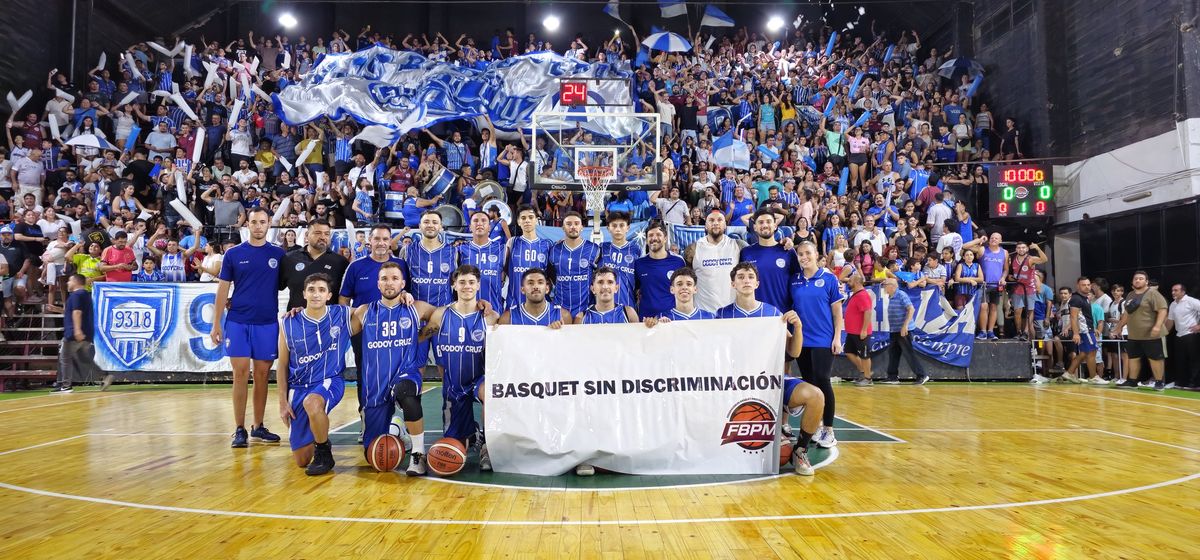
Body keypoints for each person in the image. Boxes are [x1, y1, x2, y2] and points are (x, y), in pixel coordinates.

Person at [713, 261, 821, 475]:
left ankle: (800, 450)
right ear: (733, 284)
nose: (746, 280)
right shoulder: (721, 315)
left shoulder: (772, 313)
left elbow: (794, 352)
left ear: (757, 283)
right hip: (736, 383)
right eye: (741, 277)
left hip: (769, 378)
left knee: (816, 396)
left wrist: (797, 327)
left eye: (750, 277)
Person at [210, 207, 286, 448]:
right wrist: (216, 324)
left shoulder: (279, 254)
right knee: (240, 374)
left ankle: (258, 426)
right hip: (238, 322)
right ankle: (239, 428)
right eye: (254, 222)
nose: (258, 226)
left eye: (263, 222)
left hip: (267, 322)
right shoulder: (233, 254)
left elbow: (290, 283)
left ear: (269, 224)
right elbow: (222, 289)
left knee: (263, 375)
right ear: (247, 225)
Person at [355, 262, 437, 476]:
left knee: (406, 393)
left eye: (394, 278)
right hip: (375, 386)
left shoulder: (416, 307)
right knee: (376, 456)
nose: (389, 282)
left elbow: (442, 315)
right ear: (378, 283)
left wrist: (419, 336)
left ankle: (418, 455)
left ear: (402, 283)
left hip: (405, 373)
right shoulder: (364, 312)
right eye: (384, 278)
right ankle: (397, 429)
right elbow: (332, 323)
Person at [422, 265, 501, 470]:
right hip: (453, 385)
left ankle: (486, 443)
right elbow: (420, 339)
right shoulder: (440, 315)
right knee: (454, 446)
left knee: (489, 394)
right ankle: (470, 431)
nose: (467, 286)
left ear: (478, 285)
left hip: (479, 380)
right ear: (454, 285)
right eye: (462, 282)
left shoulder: (491, 317)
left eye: (471, 282)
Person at [276, 274, 349, 476]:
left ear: (329, 295)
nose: (316, 294)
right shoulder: (289, 322)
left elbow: (369, 310)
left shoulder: (341, 315)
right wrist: (282, 401)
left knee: (312, 403)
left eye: (321, 290)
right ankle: (319, 433)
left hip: (329, 380)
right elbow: (282, 365)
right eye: (312, 290)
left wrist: (403, 295)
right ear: (304, 294)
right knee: (302, 460)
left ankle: (324, 451)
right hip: (298, 387)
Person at [340, 223, 408, 439]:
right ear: (369, 241)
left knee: (397, 374)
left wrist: (406, 295)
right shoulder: (356, 266)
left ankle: (398, 422)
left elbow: (408, 293)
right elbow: (343, 299)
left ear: (390, 242)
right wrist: (356, 318)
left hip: (395, 330)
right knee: (365, 375)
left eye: (385, 239)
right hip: (365, 332)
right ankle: (366, 420)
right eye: (377, 239)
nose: (381, 243)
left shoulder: (400, 265)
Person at [789, 241, 844, 448]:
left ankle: (829, 430)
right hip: (802, 340)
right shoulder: (794, 280)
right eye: (800, 254)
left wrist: (838, 337)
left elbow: (837, 312)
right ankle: (816, 426)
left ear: (816, 254)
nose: (804, 257)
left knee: (823, 380)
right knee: (810, 383)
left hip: (823, 339)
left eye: (807, 253)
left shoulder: (829, 278)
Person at [52, 274, 111, 393]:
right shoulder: (85, 295)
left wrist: (77, 330)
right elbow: (74, 311)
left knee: (65, 358)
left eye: (69, 280)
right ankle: (104, 376)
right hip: (87, 333)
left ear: (76, 281)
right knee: (85, 359)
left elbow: (77, 313)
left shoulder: (76, 295)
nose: (67, 283)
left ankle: (66, 385)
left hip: (75, 333)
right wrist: (58, 310)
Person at [1113, 271, 1169, 390]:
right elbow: (1127, 313)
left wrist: (1157, 326)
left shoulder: (1152, 293)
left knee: (1155, 358)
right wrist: (1118, 328)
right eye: (1135, 279)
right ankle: (1132, 381)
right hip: (1134, 334)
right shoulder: (1130, 295)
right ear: (1132, 282)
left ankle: (1159, 382)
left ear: (1146, 281)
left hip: (1151, 334)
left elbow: (1163, 309)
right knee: (1133, 358)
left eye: (1141, 278)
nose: (1138, 280)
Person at [280, 219, 348, 310]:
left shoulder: (341, 262)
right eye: (318, 233)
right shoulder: (289, 258)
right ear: (307, 235)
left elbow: (347, 296)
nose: (323, 237)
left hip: (329, 321)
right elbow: (278, 286)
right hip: (297, 319)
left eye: (327, 234)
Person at [685, 211, 745, 312]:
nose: (715, 223)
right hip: (703, 312)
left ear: (725, 225)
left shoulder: (739, 245)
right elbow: (688, 280)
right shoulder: (693, 249)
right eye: (711, 220)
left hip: (733, 311)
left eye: (720, 220)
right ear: (705, 225)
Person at [739, 210, 797, 312]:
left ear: (775, 226)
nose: (765, 225)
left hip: (783, 314)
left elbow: (797, 282)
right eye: (760, 222)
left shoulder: (787, 251)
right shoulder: (745, 253)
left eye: (768, 221)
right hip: (754, 314)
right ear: (755, 227)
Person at [546, 212, 600, 317]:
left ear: (582, 227)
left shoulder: (594, 249)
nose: (573, 227)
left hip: (586, 309)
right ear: (563, 228)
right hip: (559, 309)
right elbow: (551, 275)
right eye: (569, 224)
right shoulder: (554, 250)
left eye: (576, 223)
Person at [879, 278, 930, 385]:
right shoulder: (891, 296)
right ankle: (892, 376)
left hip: (903, 330)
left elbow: (911, 309)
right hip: (895, 330)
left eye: (885, 285)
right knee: (893, 353)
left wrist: (905, 326)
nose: (884, 287)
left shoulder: (901, 294)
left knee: (909, 353)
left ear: (892, 286)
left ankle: (922, 375)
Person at [633, 223, 685, 319]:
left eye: (658, 235)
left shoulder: (678, 261)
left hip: (672, 319)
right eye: (651, 235)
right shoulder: (639, 263)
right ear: (647, 240)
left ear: (665, 238)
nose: (654, 238)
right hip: (646, 320)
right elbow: (636, 290)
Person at [456, 211, 506, 311]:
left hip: (494, 310)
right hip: (467, 311)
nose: (479, 223)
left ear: (489, 227)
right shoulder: (460, 249)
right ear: (470, 227)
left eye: (483, 221)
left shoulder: (502, 249)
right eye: (475, 221)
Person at [504, 205, 552, 308]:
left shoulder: (547, 245)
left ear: (536, 220)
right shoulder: (512, 242)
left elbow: (551, 274)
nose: (527, 221)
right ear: (518, 221)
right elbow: (505, 268)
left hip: (539, 304)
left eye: (530, 217)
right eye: (523, 218)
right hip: (514, 303)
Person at [405, 210, 456, 307]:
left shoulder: (453, 252)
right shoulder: (408, 250)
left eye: (435, 222)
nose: (430, 225)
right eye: (426, 222)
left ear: (441, 227)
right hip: (415, 312)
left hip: (443, 312)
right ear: (420, 226)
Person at [499, 268, 573, 327]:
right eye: (530, 283)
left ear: (547, 289)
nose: (535, 287)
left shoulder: (563, 315)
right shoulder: (507, 318)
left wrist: (557, 333)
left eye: (540, 282)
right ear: (523, 289)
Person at [597, 212, 640, 309]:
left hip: (628, 306)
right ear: (608, 228)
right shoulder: (601, 248)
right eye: (614, 225)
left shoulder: (636, 250)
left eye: (621, 225)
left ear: (628, 228)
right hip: (603, 307)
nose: (618, 229)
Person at [1007, 241, 1048, 340]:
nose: (1021, 249)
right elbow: (1009, 274)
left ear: (1027, 249)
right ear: (1016, 249)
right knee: (1017, 311)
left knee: (1030, 312)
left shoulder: (1030, 259)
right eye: (1019, 248)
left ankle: (1026, 332)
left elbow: (1044, 259)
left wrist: (1037, 248)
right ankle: (1018, 332)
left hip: (1029, 288)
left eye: (1023, 247)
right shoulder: (1012, 259)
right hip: (1018, 288)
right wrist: (1011, 277)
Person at [644, 266, 715, 323]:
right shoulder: (661, 317)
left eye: (689, 284)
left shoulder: (710, 317)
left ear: (695, 289)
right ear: (672, 289)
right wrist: (656, 326)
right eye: (679, 284)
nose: (684, 287)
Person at [1165, 284, 1200, 389]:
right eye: (1172, 290)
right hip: (1179, 335)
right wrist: (1162, 333)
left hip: (1191, 335)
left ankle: (1195, 384)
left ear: (1183, 292)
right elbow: (1170, 321)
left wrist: (1199, 326)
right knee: (1180, 360)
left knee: (1194, 360)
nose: (1173, 292)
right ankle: (1181, 383)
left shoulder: (1191, 301)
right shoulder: (1173, 304)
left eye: (1176, 290)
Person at [842, 274, 875, 386]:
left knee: (864, 355)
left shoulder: (862, 295)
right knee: (849, 352)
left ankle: (868, 378)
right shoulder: (856, 294)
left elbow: (868, 311)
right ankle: (864, 372)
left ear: (856, 282)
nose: (848, 282)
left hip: (860, 332)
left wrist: (864, 330)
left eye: (850, 280)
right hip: (852, 332)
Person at [973, 232, 1007, 339]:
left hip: (996, 285)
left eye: (996, 238)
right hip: (984, 284)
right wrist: (979, 240)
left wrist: (1003, 278)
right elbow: (965, 246)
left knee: (994, 307)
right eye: (992, 238)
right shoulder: (983, 249)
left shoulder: (1004, 252)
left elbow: (1006, 269)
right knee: (983, 307)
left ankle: (990, 331)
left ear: (1000, 241)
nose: (993, 240)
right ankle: (982, 331)